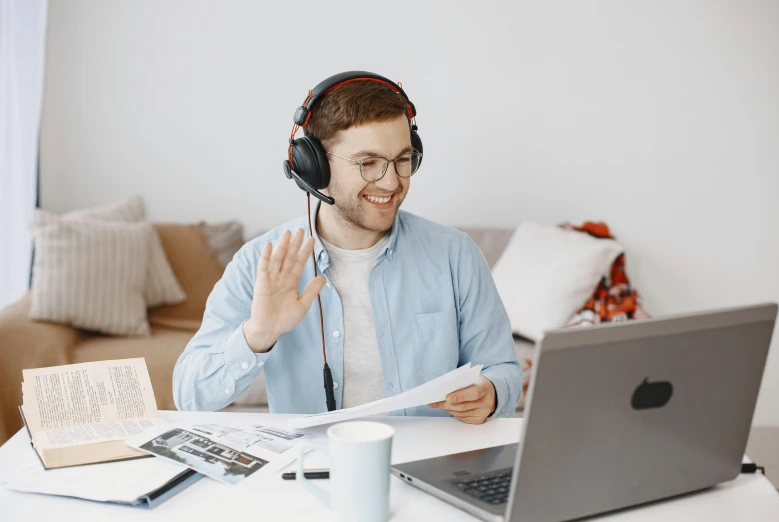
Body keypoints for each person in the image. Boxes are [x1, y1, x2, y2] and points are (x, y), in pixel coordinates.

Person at [173, 72, 522, 424]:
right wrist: (258, 335)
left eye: (402, 159)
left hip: (426, 465)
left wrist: (490, 394)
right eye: (367, 163)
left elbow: (503, 369)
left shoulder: (455, 255)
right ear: (314, 167)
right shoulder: (258, 263)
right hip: (312, 468)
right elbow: (189, 397)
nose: (390, 182)